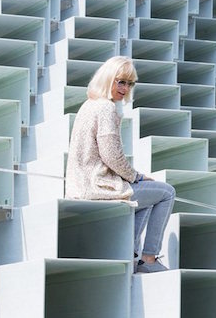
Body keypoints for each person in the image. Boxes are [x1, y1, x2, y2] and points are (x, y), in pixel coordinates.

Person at [64, 56, 175, 273]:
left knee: (144, 197)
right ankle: (149, 258)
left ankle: (131, 255)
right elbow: (112, 155)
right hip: (97, 187)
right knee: (166, 192)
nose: (125, 88)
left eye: (130, 83)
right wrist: (138, 176)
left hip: (82, 186)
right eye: (121, 81)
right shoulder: (106, 108)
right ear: (108, 79)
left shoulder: (89, 105)